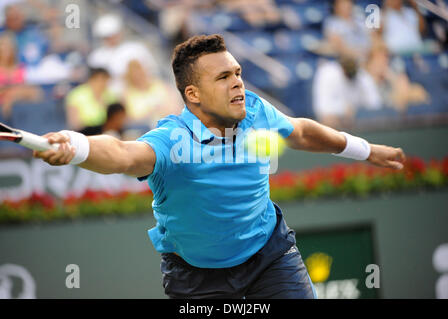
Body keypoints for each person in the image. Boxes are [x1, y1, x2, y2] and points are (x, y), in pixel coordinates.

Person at [33, 34, 406, 299]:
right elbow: (122, 154)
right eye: (224, 77)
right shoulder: (171, 139)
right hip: (195, 280)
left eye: (238, 73)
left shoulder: (257, 111)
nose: (238, 84)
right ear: (192, 94)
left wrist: (365, 149)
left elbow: (303, 132)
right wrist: (77, 144)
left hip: (270, 258)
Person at [122, 59, 183, 130]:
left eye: (139, 71)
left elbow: (175, 106)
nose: (138, 76)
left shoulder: (161, 85)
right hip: (143, 129)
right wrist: (148, 114)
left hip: (168, 124)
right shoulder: (127, 94)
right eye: (134, 73)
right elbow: (128, 119)